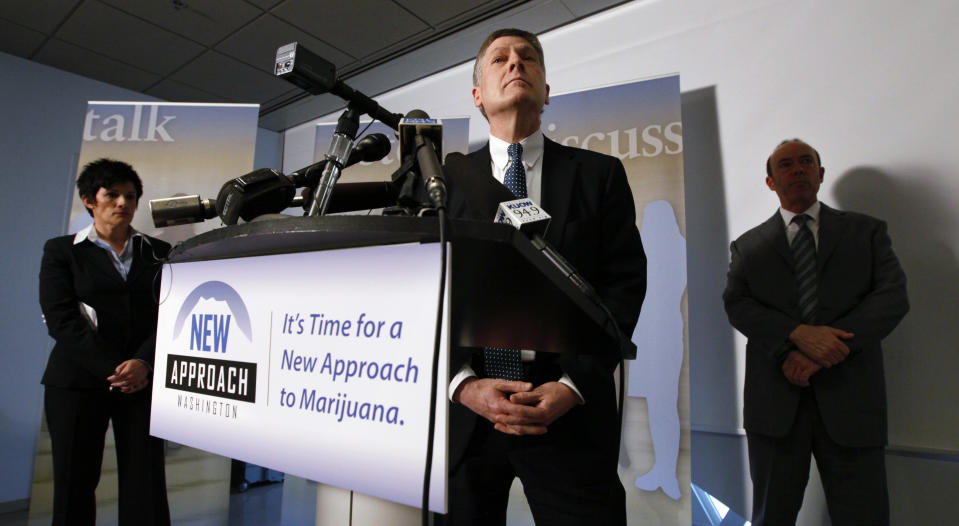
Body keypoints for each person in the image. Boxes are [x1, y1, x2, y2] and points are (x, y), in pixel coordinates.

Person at [439, 28, 647, 525]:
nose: (516, 65)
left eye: (528, 58)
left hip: (567, 409)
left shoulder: (599, 176)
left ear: (546, 92)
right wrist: (462, 385)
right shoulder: (443, 187)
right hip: (469, 415)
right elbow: (423, 295)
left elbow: (623, 286)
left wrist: (574, 385)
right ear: (477, 96)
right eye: (500, 60)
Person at [723, 139, 908, 525]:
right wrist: (795, 335)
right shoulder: (748, 246)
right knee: (771, 516)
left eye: (806, 162)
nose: (798, 170)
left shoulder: (867, 233)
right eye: (786, 165)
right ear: (771, 182)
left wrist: (821, 348)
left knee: (864, 516)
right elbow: (737, 305)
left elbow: (891, 299)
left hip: (852, 402)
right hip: (775, 405)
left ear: (820, 174)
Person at [39, 159, 171, 526]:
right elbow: (61, 319)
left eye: (129, 196)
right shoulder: (61, 251)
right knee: (74, 483)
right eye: (111, 194)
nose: (122, 203)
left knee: (145, 482)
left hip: (142, 381)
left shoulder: (158, 252)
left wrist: (143, 363)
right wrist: (115, 369)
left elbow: (169, 315)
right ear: (88, 200)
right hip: (76, 381)